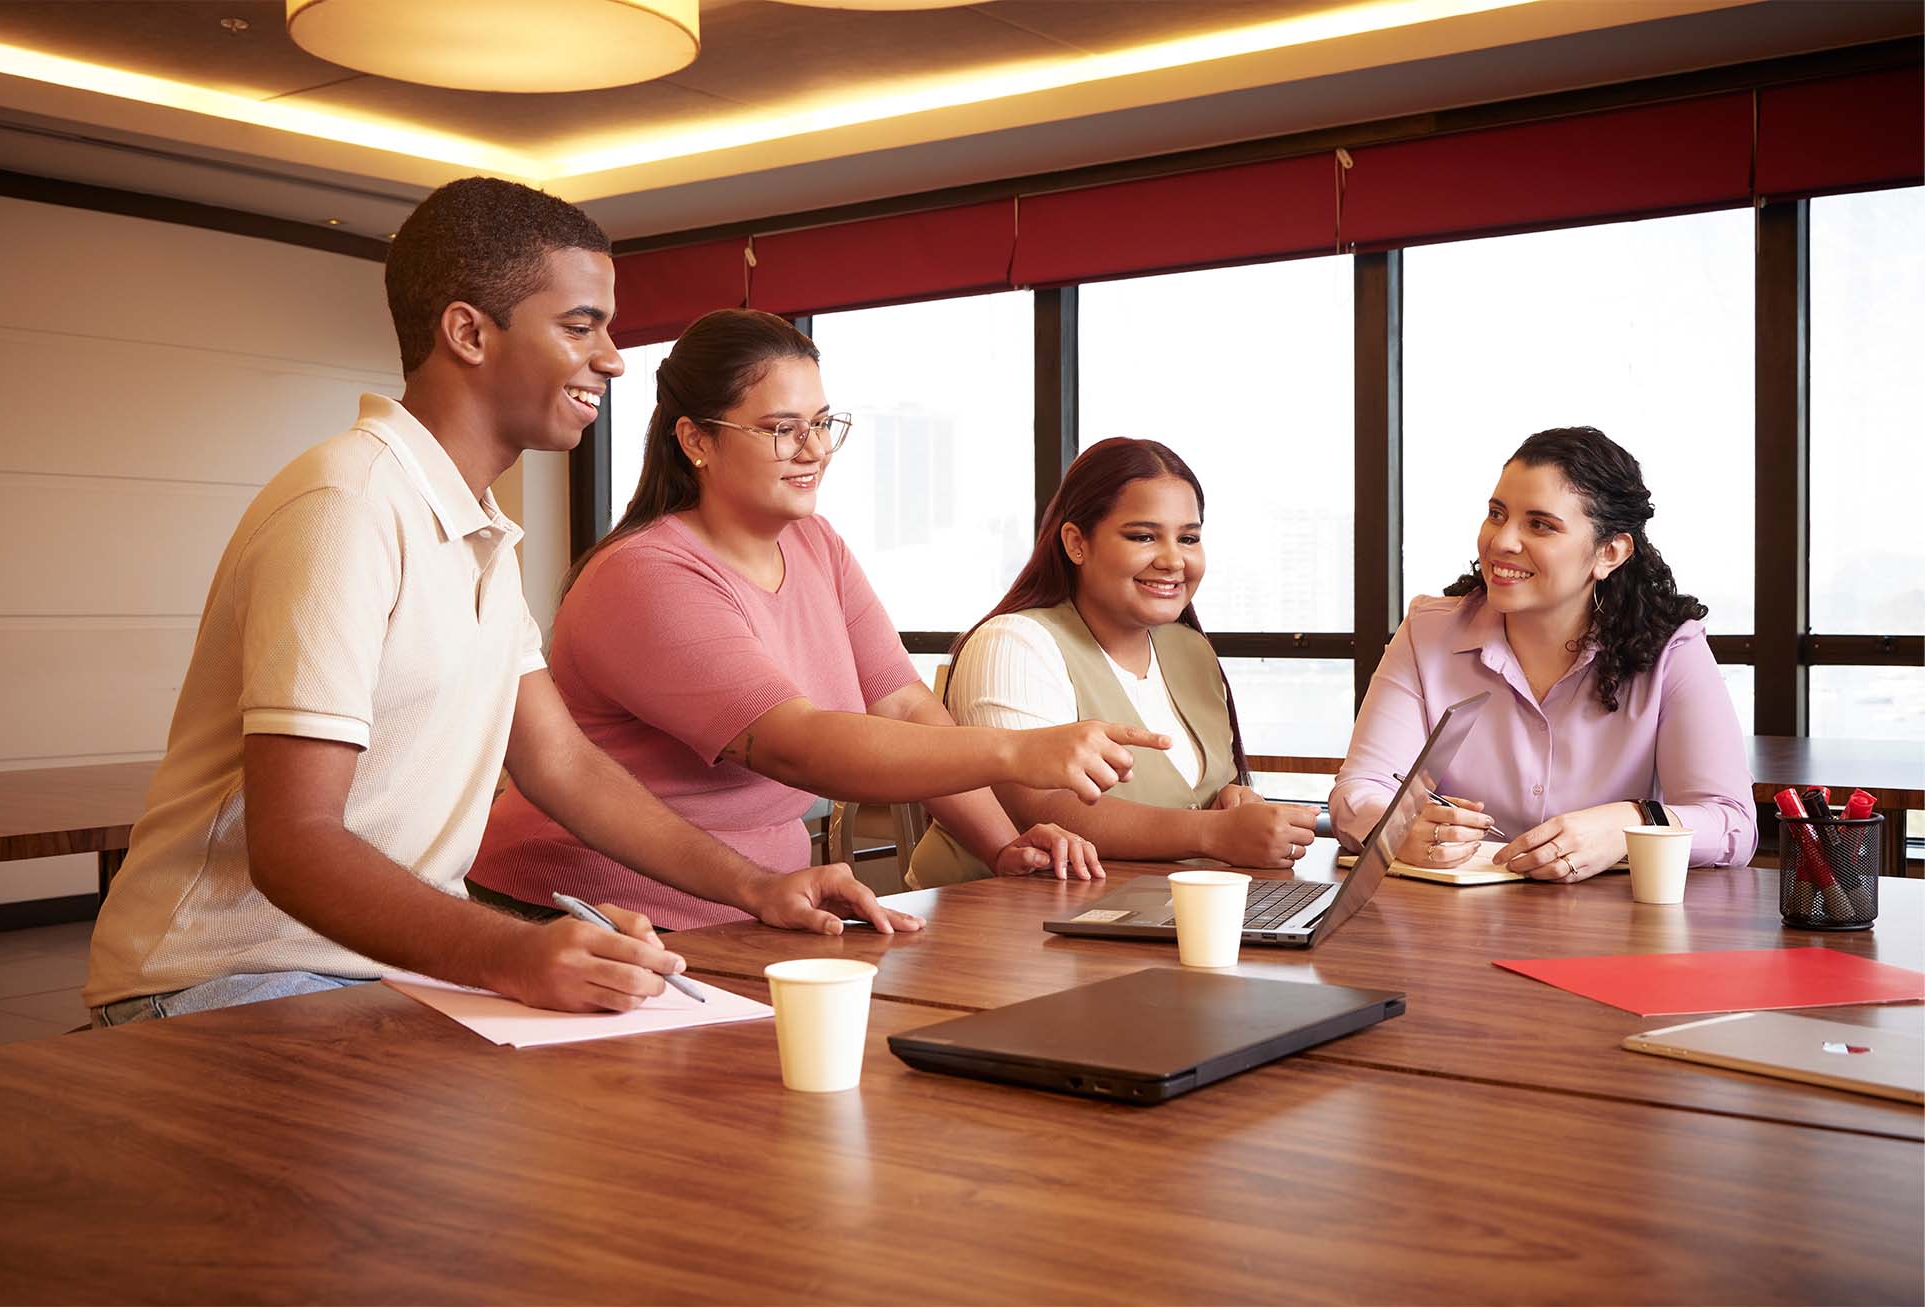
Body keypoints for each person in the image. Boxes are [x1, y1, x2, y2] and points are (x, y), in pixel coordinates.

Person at [83, 179, 919, 1027]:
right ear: (469, 333)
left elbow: (563, 764)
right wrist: (514, 953)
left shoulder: (476, 527)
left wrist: (758, 886)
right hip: (227, 981)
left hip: (387, 973)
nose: (613, 359)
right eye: (580, 326)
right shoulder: (348, 505)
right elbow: (294, 843)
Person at [466, 310, 1166, 927]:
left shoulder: (815, 544)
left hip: (750, 907)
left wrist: (1001, 844)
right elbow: (795, 744)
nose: (815, 450)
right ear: (696, 440)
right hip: (586, 908)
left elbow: (901, 703)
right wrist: (1017, 751)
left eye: (823, 424)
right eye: (783, 429)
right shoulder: (646, 573)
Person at [1330, 426, 1757, 881]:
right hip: (1453, 915)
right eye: (1497, 514)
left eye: (1540, 525)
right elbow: (1360, 790)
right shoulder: (1426, 633)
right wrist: (1396, 827)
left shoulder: (1672, 649)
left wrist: (1629, 824)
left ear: (1610, 552)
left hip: (1609, 919)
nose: (1502, 541)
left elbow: (1730, 821)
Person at [905, 438, 1320, 888]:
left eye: (1188, 538)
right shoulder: (1013, 643)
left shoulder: (1191, 651)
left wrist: (1232, 802)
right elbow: (1040, 808)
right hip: (991, 915)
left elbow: (1199, 798)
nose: (1173, 560)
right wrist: (1212, 832)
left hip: (1141, 911)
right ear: (1076, 543)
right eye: (1143, 536)